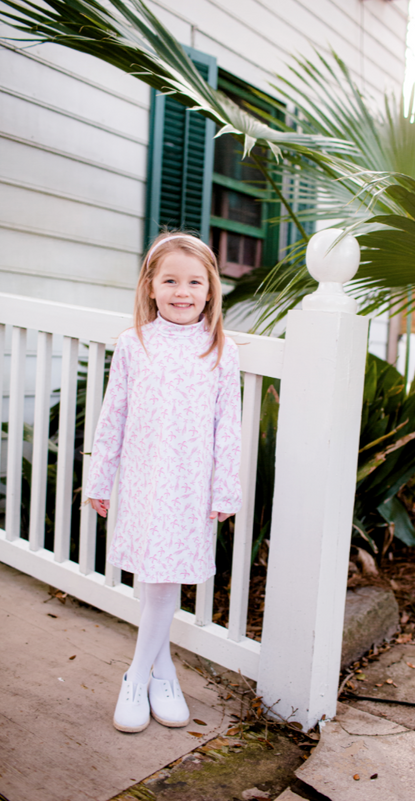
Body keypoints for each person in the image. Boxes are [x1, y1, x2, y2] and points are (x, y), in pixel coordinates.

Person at [85, 231, 242, 733]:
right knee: (153, 572)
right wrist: (100, 478)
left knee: (165, 575)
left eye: (195, 282)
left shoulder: (220, 350)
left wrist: (225, 488)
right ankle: (158, 672)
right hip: (144, 478)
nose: (182, 291)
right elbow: (114, 414)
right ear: (150, 287)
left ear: (210, 290)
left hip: (191, 485)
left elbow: (229, 427)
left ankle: (139, 673)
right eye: (170, 280)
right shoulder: (134, 344)